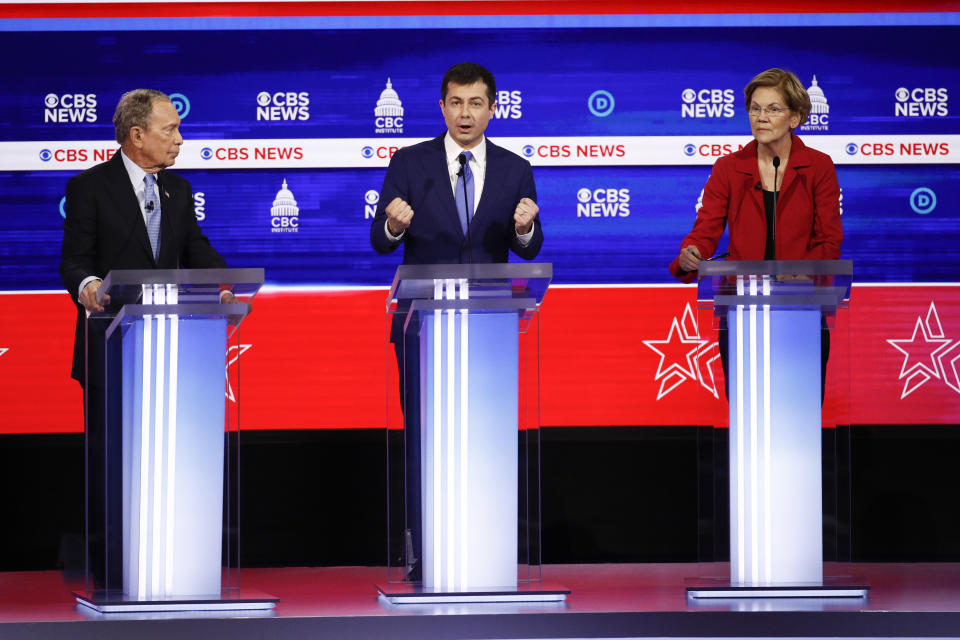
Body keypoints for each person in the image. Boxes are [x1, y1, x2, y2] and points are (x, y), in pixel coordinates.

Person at [370, 62, 543, 580]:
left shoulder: (514, 168)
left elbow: (528, 243)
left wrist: (526, 230)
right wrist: (394, 226)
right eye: (456, 102)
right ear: (442, 106)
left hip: (489, 324)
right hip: (420, 325)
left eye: (476, 103)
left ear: (493, 108)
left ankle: (487, 549)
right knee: (425, 435)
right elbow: (380, 241)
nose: (465, 113)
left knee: (486, 434)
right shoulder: (409, 162)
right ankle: (424, 552)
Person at [60, 89, 233, 588]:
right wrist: (88, 286)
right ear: (137, 136)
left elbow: (196, 250)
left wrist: (225, 284)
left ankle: (172, 560)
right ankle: (111, 568)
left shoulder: (178, 190)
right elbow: (74, 260)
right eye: (170, 130)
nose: (179, 138)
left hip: (172, 350)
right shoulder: (90, 187)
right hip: (110, 346)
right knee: (112, 462)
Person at [668, 68, 843, 399]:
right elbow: (706, 230)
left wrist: (799, 275)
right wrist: (693, 252)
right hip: (742, 307)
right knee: (748, 411)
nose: (761, 117)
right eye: (755, 108)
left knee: (798, 408)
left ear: (796, 118)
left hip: (802, 307)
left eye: (773, 109)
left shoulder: (819, 167)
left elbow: (829, 241)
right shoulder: (728, 168)